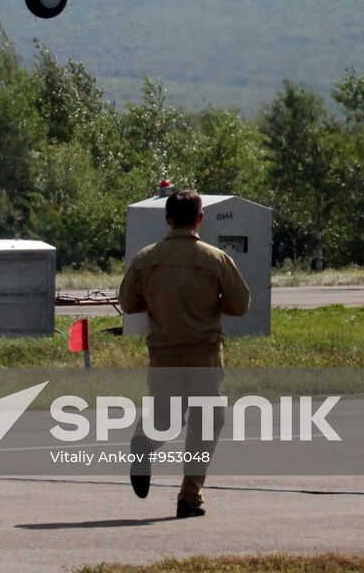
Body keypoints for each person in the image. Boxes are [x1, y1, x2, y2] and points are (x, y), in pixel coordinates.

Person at [118, 189, 250, 518]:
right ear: (200, 218)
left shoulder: (146, 258)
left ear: (168, 219)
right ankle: (189, 496)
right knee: (207, 423)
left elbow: (128, 302)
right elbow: (240, 304)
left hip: (163, 353)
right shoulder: (215, 259)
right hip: (203, 354)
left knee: (166, 417)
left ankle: (144, 443)